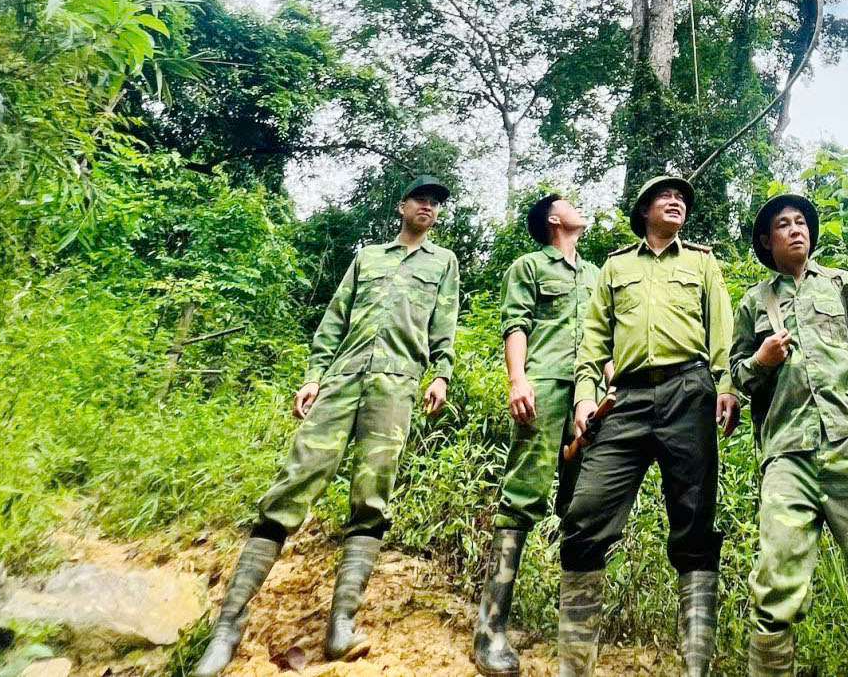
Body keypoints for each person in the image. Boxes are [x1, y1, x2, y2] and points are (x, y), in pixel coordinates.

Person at [193, 177, 460, 676]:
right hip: (342, 380)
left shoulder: (443, 263)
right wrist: (314, 376)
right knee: (292, 485)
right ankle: (226, 628)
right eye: (421, 199)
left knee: (371, 498)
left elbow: (444, 324)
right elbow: (335, 319)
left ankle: (341, 626)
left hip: (396, 385)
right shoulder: (368, 257)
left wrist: (441, 374)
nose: (429, 206)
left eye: (436, 203)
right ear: (402, 206)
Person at [729, 191, 848, 677]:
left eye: (801, 222)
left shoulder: (842, 285)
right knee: (775, 586)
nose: (795, 229)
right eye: (783, 224)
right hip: (787, 456)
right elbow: (737, 375)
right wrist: (761, 361)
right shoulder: (753, 302)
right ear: (766, 241)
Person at [557, 174, 737, 677]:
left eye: (681, 197)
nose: (676, 201)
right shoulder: (615, 267)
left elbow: (721, 332)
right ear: (644, 211)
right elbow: (593, 340)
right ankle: (574, 667)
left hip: (689, 393)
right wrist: (585, 397)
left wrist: (726, 386)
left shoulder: (702, 262)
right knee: (585, 515)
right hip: (626, 399)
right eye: (665, 196)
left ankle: (695, 667)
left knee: (695, 524)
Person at [471, 192, 601, 676]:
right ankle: (489, 630)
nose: (579, 207)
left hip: (589, 396)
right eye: (569, 203)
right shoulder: (529, 266)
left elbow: (605, 337)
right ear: (553, 218)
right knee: (521, 498)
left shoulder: (596, 274)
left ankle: (573, 637)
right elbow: (516, 325)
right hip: (543, 388)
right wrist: (518, 380)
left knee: (582, 505)